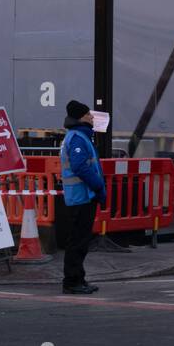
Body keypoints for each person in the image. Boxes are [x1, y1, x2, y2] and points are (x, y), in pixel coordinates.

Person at [58, 100, 106, 294]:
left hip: (82, 196)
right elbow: (79, 166)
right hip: (82, 196)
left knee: (81, 240)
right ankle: (72, 281)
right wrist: (97, 184)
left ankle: (79, 278)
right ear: (81, 117)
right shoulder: (78, 138)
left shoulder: (79, 136)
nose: (92, 117)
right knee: (78, 241)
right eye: (88, 114)